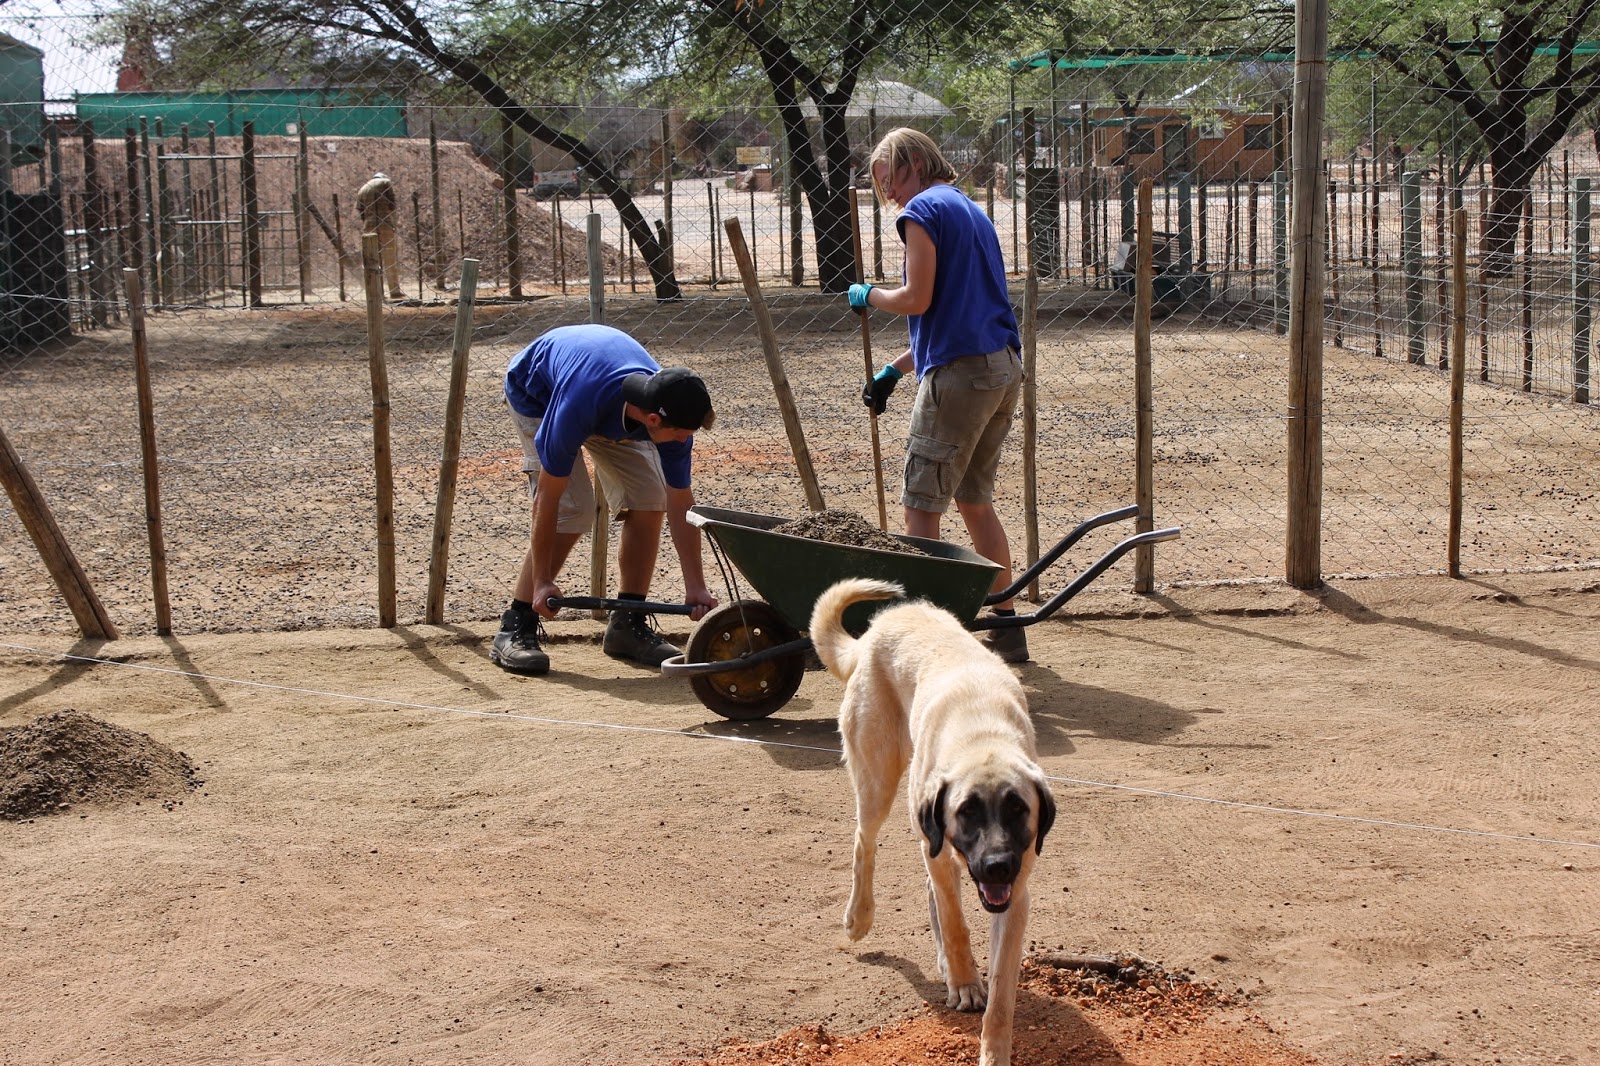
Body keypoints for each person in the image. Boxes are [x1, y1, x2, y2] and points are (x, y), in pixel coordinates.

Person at [847, 127, 1029, 663]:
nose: (890, 194)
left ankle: (925, 642)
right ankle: (1006, 625)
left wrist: (869, 295)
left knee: (920, 506)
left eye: (890, 179)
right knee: (974, 501)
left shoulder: (921, 210)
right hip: (1000, 368)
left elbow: (917, 299)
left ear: (913, 163)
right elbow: (958, 314)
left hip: (962, 377)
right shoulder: (969, 210)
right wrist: (895, 370)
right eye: (882, 186)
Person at [492, 324, 719, 676]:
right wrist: (542, 582)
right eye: (679, 435)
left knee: (651, 495)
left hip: (605, 399)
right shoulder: (577, 407)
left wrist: (696, 586)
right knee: (574, 508)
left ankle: (627, 624)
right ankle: (516, 622)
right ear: (653, 420)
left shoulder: (672, 417)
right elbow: (547, 500)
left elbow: (681, 504)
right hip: (539, 394)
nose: (682, 442)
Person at [355, 171, 406, 299]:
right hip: (385, 224)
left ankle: (376, 291)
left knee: (372, 259)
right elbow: (392, 204)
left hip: (369, 227)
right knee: (390, 258)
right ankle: (394, 290)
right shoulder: (385, 182)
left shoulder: (363, 188)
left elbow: (360, 210)